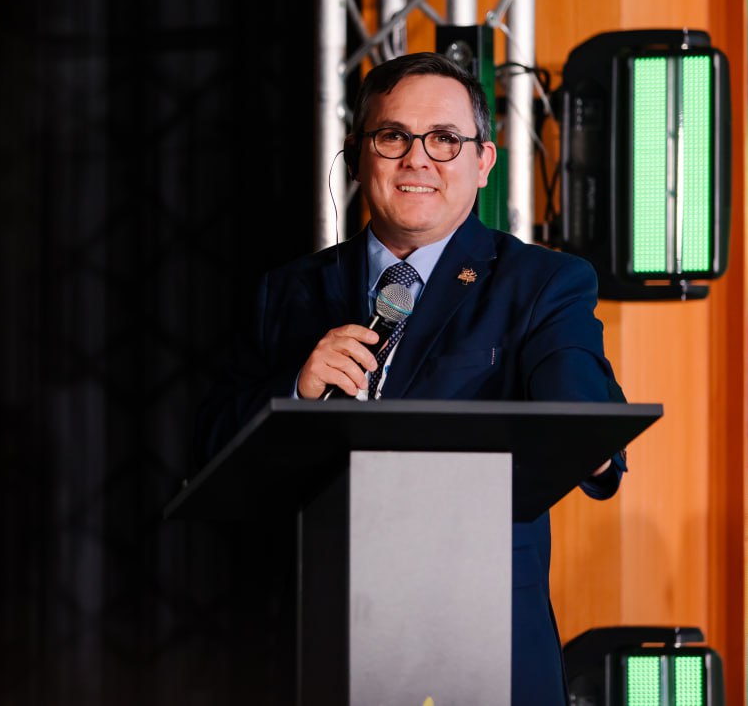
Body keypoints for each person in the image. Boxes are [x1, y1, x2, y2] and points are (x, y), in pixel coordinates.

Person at [199, 52, 626, 706]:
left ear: (483, 162)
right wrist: (295, 389)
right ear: (357, 154)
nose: (418, 159)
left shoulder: (541, 284)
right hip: (319, 644)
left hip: (483, 649)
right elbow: (210, 450)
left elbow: (577, 403)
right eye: (393, 136)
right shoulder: (287, 292)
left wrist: (587, 437)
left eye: (445, 139)